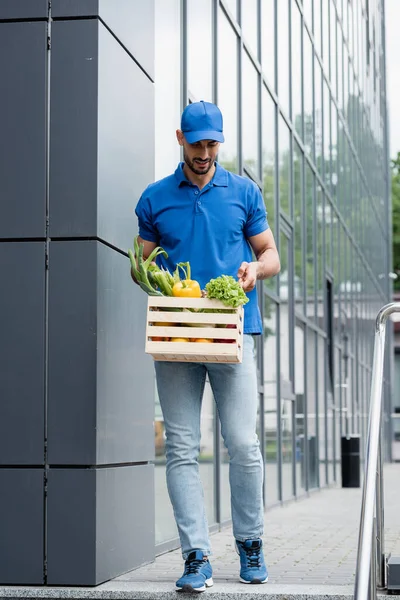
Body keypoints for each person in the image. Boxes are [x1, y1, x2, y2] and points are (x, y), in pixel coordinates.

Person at [134, 101, 280, 593]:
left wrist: (254, 270)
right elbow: (143, 261)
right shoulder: (155, 199)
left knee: (243, 442)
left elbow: (270, 253)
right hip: (178, 336)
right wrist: (150, 277)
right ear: (181, 138)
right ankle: (196, 556)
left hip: (234, 330)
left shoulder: (243, 192)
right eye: (197, 143)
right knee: (180, 447)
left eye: (212, 143)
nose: (205, 152)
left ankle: (250, 543)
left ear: (220, 140)